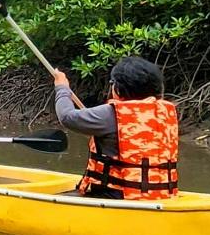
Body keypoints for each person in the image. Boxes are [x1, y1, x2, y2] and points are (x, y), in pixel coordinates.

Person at [52, 56, 178, 200]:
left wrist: (62, 87)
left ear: (118, 88)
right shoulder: (165, 112)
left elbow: (66, 117)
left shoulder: (110, 114)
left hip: (114, 195)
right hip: (161, 195)